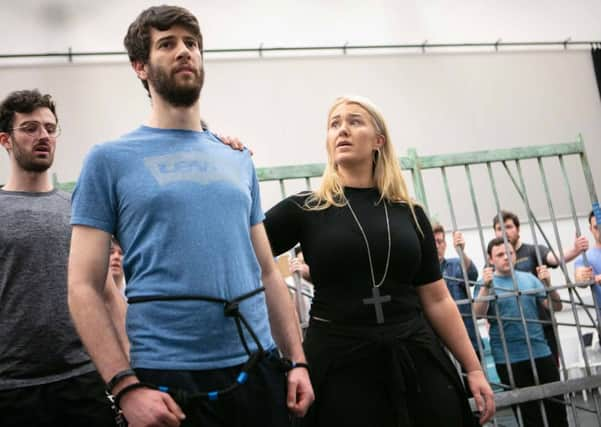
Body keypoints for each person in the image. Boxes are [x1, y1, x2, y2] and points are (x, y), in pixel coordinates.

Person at [67, 5, 313, 427]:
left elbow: (268, 273)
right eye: (167, 44)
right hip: (167, 382)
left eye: (191, 44)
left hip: (257, 367)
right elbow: (83, 287)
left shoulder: (235, 157)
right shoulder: (108, 160)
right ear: (140, 66)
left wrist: (297, 361)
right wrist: (124, 387)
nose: (184, 51)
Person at [264, 95, 494, 426]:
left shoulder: (410, 213)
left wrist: (473, 368)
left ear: (378, 141)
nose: (342, 130)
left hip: (415, 356)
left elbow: (437, 297)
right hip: (338, 364)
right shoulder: (306, 208)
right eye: (334, 124)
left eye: (354, 121)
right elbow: (243, 252)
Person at [0, 89, 121, 426]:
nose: (43, 136)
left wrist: (130, 372)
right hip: (12, 391)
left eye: (50, 128)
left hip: (83, 381)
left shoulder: (78, 209)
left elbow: (109, 295)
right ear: (5, 140)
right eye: (30, 128)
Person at [474, 237, 566, 427]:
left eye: (510, 253)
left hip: (541, 352)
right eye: (500, 255)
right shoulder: (485, 283)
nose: (507, 257)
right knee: (529, 417)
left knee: (557, 411)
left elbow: (556, 307)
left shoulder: (529, 279)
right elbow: (478, 314)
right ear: (490, 260)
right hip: (509, 359)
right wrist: (485, 288)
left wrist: (549, 285)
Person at [493, 210, 588, 362]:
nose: (504, 232)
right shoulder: (493, 261)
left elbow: (554, 258)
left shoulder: (532, 250)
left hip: (543, 326)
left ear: (518, 229)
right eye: (499, 228)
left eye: (508, 227)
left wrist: (575, 249)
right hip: (513, 333)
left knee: (551, 373)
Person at [433, 223, 480, 355]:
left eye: (439, 241)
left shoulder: (456, 264)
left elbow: (471, 277)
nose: (436, 246)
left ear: (445, 244)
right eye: (432, 242)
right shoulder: (423, 273)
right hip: (440, 344)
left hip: (468, 338)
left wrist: (461, 252)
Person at [574, 210, 601, 329]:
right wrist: (582, 277)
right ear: (590, 229)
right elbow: (580, 279)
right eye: (596, 227)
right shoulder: (586, 258)